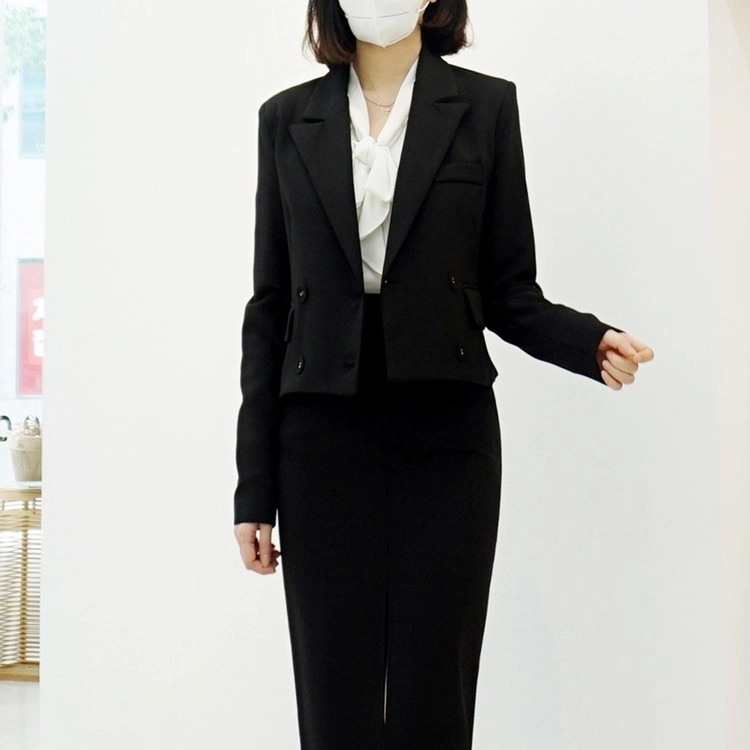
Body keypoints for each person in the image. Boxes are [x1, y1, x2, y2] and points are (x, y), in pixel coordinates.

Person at [233, 1, 654, 748]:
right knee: (333, 687)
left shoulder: (486, 107)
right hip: (320, 434)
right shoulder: (286, 119)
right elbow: (269, 311)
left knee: (436, 685)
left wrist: (588, 342)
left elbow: (509, 290)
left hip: (447, 434)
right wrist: (253, 490)